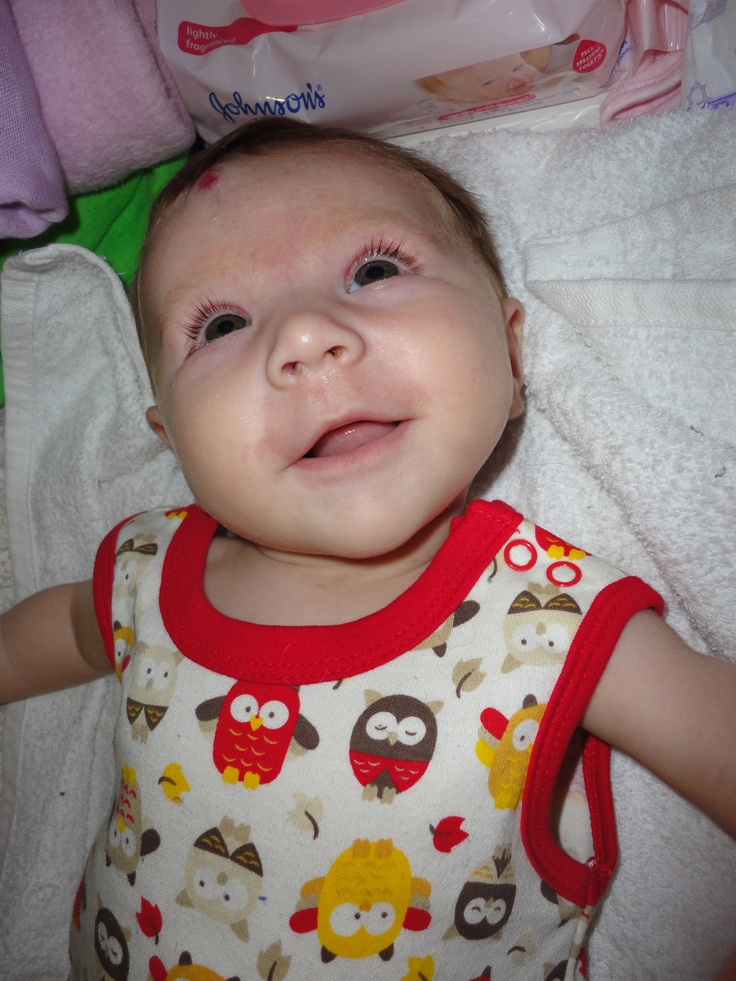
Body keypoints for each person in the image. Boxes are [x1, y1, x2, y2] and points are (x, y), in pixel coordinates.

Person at [0, 117, 734, 981]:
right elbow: (44, 638)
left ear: (508, 347)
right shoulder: (142, 577)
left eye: (374, 270)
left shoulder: (548, 622)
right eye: (224, 323)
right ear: (171, 437)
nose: (305, 337)